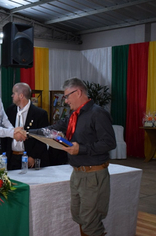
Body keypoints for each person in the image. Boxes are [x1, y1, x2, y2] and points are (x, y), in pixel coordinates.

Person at [30, 78, 116, 236]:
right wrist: (28, 133)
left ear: (79, 92)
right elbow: (53, 130)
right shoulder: (73, 115)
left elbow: (109, 143)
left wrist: (81, 149)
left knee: (91, 222)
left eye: (67, 96)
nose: (66, 100)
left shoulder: (98, 113)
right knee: (79, 217)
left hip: (93, 175)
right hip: (77, 173)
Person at [1, 82, 50, 170]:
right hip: (11, 158)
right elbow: (5, 134)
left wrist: (33, 157)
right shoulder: (10, 110)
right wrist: (4, 155)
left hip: (29, 160)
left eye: (14, 93)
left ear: (21, 96)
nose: (12, 96)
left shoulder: (40, 114)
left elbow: (42, 138)